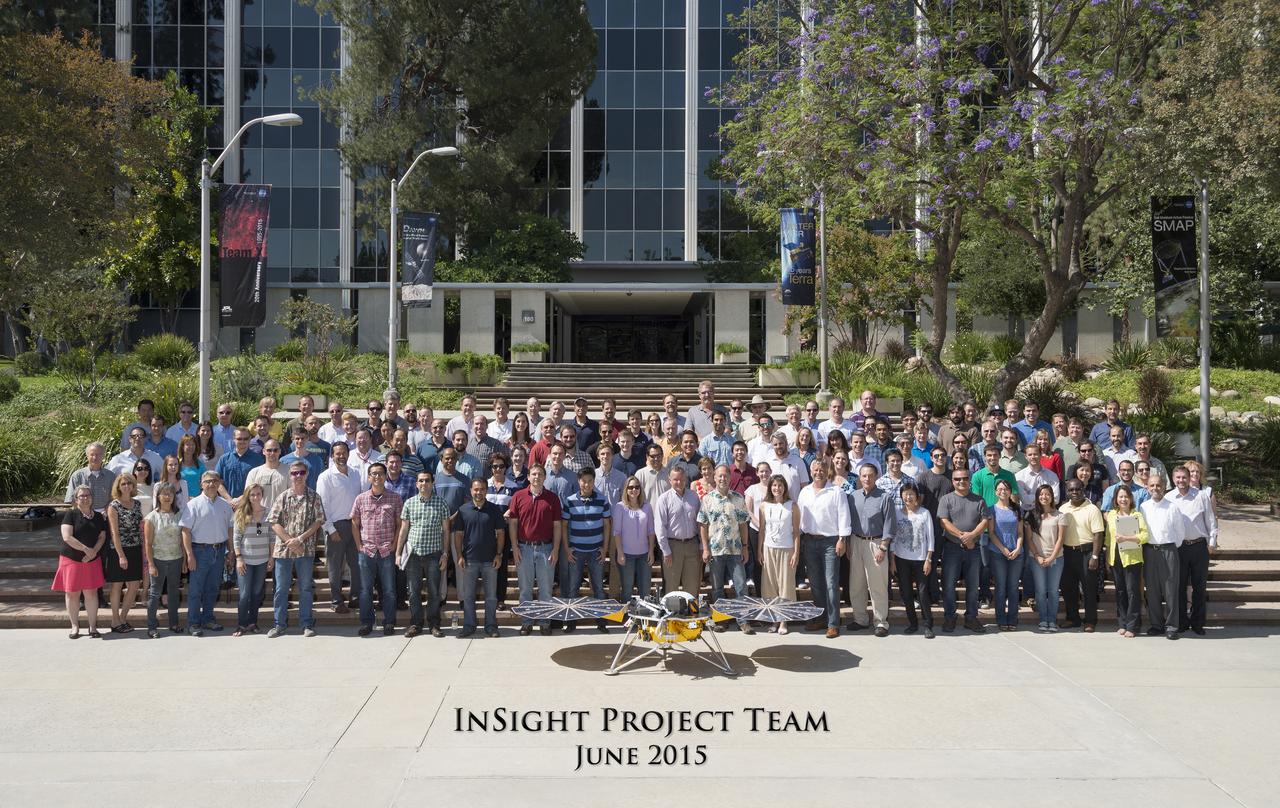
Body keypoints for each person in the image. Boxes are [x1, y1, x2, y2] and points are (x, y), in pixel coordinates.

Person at [266, 461, 326, 638]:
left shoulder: (314, 497)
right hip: (283, 551)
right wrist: (289, 541)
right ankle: (279, 624)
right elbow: (273, 521)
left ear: (306, 474)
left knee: (306, 587)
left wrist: (300, 539)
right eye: (294, 473)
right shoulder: (283, 497)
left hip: (305, 550)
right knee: (281, 589)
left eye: (301, 472)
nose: (297, 476)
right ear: (289, 475)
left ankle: (306, 624)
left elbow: (318, 521)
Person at [507, 464, 564, 636]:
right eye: (533, 474)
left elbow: (557, 526)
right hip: (523, 548)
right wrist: (514, 547)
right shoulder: (518, 496)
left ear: (545, 477)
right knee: (525, 589)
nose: (536, 477)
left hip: (545, 548)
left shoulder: (552, 498)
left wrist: (555, 549)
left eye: (540, 474)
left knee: (546, 589)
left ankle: (545, 623)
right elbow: (513, 524)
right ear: (529, 477)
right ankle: (526, 622)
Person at [796, 459, 850, 638]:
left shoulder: (836, 491)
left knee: (831, 583)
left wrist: (842, 539)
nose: (818, 472)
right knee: (816, 583)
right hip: (810, 541)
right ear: (811, 471)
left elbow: (844, 515)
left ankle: (833, 622)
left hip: (830, 541)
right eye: (815, 469)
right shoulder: (804, 492)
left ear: (827, 471)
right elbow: (800, 519)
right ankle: (821, 618)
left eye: (822, 469)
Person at [179, 471, 235, 637]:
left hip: (219, 551)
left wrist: (231, 550)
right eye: (207, 481)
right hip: (199, 551)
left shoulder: (225, 505)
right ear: (201, 484)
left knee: (212, 589)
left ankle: (208, 618)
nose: (211, 484)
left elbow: (230, 529)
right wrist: (189, 555)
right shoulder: (193, 504)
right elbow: (185, 531)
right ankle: (193, 623)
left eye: (214, 481)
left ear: (219, 484)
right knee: (196, 590)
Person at [350, 462, 403, 636]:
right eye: (373, 474)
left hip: (387, 550)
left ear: (385, 475)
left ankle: (389, 622)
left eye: (380, 473)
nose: (377, 477)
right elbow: (355, 523)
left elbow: (399, 523)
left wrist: (395, 544)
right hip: (367, 551)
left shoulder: (394, 498)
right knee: (365, 590)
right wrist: (359, 545)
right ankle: (367, 622)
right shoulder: (360, 498)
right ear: (369, 477)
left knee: (389, 589)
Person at [697, 465, 752, 633]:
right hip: (716, 551)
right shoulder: (707, 499)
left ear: (730, 478)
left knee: (741, 586)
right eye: (719, 476)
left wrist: (745, 547)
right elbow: (703, 525)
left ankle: (743, 621)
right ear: (714, 478)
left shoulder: (738, 498)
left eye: (725, 476)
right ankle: (722, 619)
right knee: (717, 587)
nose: (723, 479)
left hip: (735, 550)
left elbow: (743, 525)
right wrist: (705, 548)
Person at [398, 470, 452, 637]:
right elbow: (404, 529)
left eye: (427, 480)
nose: (424, 484)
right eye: (420, 481)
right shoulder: (409, 503)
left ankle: (434, 624)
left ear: (432, 482)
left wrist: (445, 554)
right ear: (416, 483)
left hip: (434, 554)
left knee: (434, 592)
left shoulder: (441, 503)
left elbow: (446, 531)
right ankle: (416, 623)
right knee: (413, 591)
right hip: (413, 554)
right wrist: (398, 553)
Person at [451, 478, 506, 637]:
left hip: (490, 560)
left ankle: (491, 626)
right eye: (476, 489)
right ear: (471, 491)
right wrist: (459, 555)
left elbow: (501, 533)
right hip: (469, 560)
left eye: (482, 489)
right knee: (468, 596)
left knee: (490, 597)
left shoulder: (494, 510)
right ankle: (469, 626)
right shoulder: (463, 510)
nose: (479, 492)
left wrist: (499, 554)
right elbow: (458, 535)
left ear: (486, 490)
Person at [937, 468, 990, 633]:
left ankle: (971, 618)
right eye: (957, 479)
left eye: (965, 478)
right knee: (948, 585)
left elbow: (985, 521)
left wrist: (972, 536)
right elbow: (943, 522)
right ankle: (950, 618)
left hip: (973, 549)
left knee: (973, 586)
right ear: (953, 481)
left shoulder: (979, 500)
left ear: (969, 480)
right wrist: (963, 537)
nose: (961, 482)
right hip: (952, 547)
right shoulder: (946, 499)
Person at [1169, 464, 1218, 635]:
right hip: (1179, 548)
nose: (1181, 480)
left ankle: (1198, 623)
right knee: (1180, 587)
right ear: (1173, 479)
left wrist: (1212, 542)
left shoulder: (1201, 496)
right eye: (1178, 477)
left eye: (1184, 477)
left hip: (1199, 547)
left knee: (1199, 587)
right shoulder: (1169, 498)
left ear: (1189, 478)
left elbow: (1211, 520)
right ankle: (1182, 622)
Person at [54, 485, 107, 638]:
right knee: (72, 594)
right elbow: (67, 537)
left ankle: (92, 627)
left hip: (92, 560)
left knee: (91, 593)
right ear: (76, 499)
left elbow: (102, 536)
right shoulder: (70, 514)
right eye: (81, 496)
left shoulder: (98, 517)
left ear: (92, 498)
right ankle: (74, 627)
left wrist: (94, 552)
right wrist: (86, 549)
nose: (85, 498)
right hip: (71, 559)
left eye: (87, 495)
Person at [562, 468, 612, 633]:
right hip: (576, 551)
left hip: (595, 551)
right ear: (579, 481)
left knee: (598, 587)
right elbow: (564, 526)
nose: (587, 484)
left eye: (590, 481)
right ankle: (571, 622)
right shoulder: (569, 501)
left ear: (593, 481)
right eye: (584, 481)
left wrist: (604, 549)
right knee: (573, 587)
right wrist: (567, 549)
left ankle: (601, 621)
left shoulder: (602, 500)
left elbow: (606, 525)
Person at [317, 441, 364, 614]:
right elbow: (322, 505)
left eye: (344, 452)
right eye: (337, 453)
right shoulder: (325, 476)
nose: (341, 456)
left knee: (356, 564)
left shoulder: (356, 474)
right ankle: (336, 601)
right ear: (332, 456)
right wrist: (330, 529)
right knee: (335, 567)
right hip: (335, 526)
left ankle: (355, 597)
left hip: (354, 525)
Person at [1139, 473, 1187, 640]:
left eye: (1158, 485)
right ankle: (1156, 625)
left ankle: (1172, 626)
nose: (1155, 489)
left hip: (1169, 550)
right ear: (1147, 487)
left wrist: (1170, 548)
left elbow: (1180, 532)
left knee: (1170, 590)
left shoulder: (1172, 507)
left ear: (1164, 486)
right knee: (1152, 590)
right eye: (1152, 485)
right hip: (1149, 551)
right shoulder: (1143, 507)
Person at [1058, 478, 1106, 631]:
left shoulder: (1092, 509)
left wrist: (1095, 556)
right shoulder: (1063, 509)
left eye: (1078, 489)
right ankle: (1073, 618)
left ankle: (1090, 621)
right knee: (1068, 588)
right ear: (1067, 491)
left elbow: (1098, 534)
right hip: (1067, 553)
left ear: (1083, 489)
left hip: (1087, 552)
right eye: (1071, 490)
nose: (1074, 492)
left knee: (1089, 589)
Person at [756, 474, 799, 633]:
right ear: (770, 488)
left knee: (785, 585)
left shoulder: (792, 506)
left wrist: (796, 552)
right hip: (768, 548)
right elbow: (762, 530)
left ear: (784, 488)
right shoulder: (764, 506)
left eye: (780, 486)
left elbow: (796, 532)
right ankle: (773, 619)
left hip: (786, 549)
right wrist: (760, 550)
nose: (777, 488)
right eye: (774, 485)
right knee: (770, 585)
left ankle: (783, 621)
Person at [892, 482, 935, 638]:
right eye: (905, 494)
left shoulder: (925, 513)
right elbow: (894, 538)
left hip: (921, 559)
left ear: (917, 497)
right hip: (902, 559)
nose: (908, 497)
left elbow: (930, 538)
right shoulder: (897, 513)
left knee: (923, 592)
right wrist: (892, 561)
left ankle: (928, 624)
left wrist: (929, 559)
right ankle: (912, 623)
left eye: (911, 494)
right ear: (901, 496)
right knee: (907, 593)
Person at [105, 473, 146, 633]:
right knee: (116, 586)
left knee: (135, 585)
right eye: (123, 484)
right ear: (118, 486)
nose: (127, 486)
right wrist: (121, 555)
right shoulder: (113, 506)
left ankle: (122, 618)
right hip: (118, 550)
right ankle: (115, 620)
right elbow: (114, 533)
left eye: (129, 483)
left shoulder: (136, 504)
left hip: (135, 548)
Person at [143, 482, 184, 637]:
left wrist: (185, 559)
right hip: (158, 559)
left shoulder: (179, 514)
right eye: (164, 494)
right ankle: (152, 627)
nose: (167, 497)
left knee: (173, 592)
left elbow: (183, 538)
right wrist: (151, 564)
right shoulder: (151, 517)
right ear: (158, 496)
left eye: (170, 494)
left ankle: (173, 624)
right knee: (154, 594)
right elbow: (147, 543)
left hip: (176, 559)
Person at [653, 467, 702, 597]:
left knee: (692, 586)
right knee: (671, 587)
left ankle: (691, 615)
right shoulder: (664, 499)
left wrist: (702, 545)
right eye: (675, 480)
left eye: (681, 479)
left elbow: (700, 523)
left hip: (692, 545)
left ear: (685, 479)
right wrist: (666, 551)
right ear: (670, 480)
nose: (679, 482)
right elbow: (660, 527)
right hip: (672, 547)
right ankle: (671, 616)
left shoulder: (694, 497)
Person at [1105, 486, 1147, 638]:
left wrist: (1127, 538)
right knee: (1120, 592)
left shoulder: (1137, 515)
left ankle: (1132, 625)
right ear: (1116, 499)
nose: (1123, 499)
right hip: (1115, 558)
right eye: (1120, 497)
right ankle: (1122, 623)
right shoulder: (1111, 515)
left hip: (1132, 559)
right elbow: (1108, 539)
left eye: (1126, 497)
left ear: (1131, 499)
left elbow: (1145, 536)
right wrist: (1107, 559)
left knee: (1133, 592)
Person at [232, 484, 272, 636]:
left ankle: (252, 622)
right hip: (245, 560)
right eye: (252, 495)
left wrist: (271, 556)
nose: (255, 497)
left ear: (262, 495)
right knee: (244, 594)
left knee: (256, 594)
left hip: (262, 560)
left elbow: (271, 537)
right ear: (247, 496)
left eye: (258, 494)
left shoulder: (268, 513)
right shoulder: (241, 513)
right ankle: (241, 625)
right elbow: (236, 538)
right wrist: (238, 558)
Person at [1024, 484, 1065, 632]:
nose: (1044, 497)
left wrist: (1052, 557)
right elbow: (1029, 539)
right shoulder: (1030, 515)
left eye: (1047, 494)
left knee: (1053, 591)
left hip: (1057, 558)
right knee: (1040, 591)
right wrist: (1037, 556)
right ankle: (1043, 619)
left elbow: (1060, 539)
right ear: (1037, 497)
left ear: (1052, 497)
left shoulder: (1059, 515)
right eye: (1041, 494)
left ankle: (1052, 620)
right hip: (1037, 559)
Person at [986, 479, 1025, 631]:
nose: (1003, 491)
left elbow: (1021, 533)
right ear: (996, 492)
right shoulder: (991, 510)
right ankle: (1001, 619)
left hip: (1017, 553)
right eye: (1000, 489)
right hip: (998, 553)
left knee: (1014, 587)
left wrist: (1017, 548)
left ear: (1010, 491)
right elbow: (991, 533)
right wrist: (1003, 549)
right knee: (1001, 587)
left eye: (1006, 489)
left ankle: (1013, 619)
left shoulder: (1018, 510)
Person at [613, 476, 655, 600]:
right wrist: (620, 552)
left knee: (645, 590)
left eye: (637, 487)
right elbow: (617, 532)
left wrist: (651, 551)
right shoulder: (620, 507)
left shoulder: (647, 507)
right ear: (626, 489)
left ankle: (645, 618)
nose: (634, 490)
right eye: (630, 487)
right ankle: (627, 618)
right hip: (626, 554)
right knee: (627, 589)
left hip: (644, 554)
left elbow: (651, 531)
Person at [214, 427, 264, 504]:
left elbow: (260, 483)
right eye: (239, 439)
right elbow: (217, 481)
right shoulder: (224, 459)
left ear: (250, 439)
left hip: (250, 504)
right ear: (233, 439)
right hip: (227, 504)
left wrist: (242, 499)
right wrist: (229, 499)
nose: (242, 441)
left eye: (245, 438)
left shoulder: (257, 459)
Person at [65, 442, 115, 512]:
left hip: (105, 515)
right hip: (83, 515)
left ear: (103, 456)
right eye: (92, 454)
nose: (95, 457)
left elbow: (114, 498)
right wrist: (86, 512)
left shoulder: (111, 476)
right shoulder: (77, 476)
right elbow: (72, 499)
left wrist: (106, 511)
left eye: (98, 454)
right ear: (87, 456)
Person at [244, 438, 288, 511]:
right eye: (269, 450)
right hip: (260, 517)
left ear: (280, 451)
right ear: (263, 451)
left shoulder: (289, 471)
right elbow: (248, 497)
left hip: (281, 516)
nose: (272, 453)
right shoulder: (254, 472)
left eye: (275, 450)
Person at [1015, 444, 1060, 512]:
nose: (1033, 457)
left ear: (1041, 455)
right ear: (1025, 456)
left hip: (1048, 512)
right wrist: (1046, 497)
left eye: (1035, 454)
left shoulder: (1052, 475)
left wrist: (1031, 497)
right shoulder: (1019, 476)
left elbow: (1056, 499)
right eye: (1030, 455)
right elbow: (1025, 500)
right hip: (1028, 514)